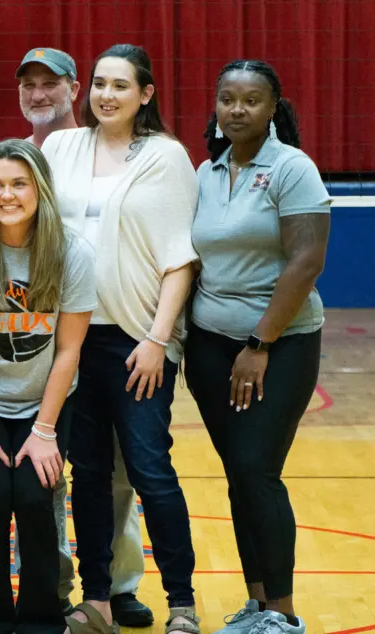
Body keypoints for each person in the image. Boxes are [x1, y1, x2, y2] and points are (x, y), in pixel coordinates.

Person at [40, 44, 201, 634]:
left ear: (145, 94)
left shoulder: (166, 156)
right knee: (88, 473)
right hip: (70, 340)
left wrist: (158, 340)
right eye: (100, 84)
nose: (106, 95)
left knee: (148, 470)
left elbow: (180, 258)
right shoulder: (60, 147)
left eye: (121, 85)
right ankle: (98, 601)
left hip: (136, 341)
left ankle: (182, 603)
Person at [185, 60, 330, 634]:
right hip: (209, 345)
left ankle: (283, 614)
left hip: (279, 344)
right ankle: (256, 603)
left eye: (251, 100)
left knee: (256, 469)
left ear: (273, 108)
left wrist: (259, 342)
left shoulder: (293, 168)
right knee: (239, 475)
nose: (237, 109)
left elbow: (307, 261)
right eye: (227, 98)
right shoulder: (206, 171)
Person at [16, 46, 153, 625]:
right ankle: (49, 582)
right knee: (39, 468)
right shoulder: (20, 156)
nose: (38, 94)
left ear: (76, 89)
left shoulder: (114, 151)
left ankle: (116, 582)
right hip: (38, 337)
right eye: (29, 85)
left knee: (115, 470)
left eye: (50, 83)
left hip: (111, 327)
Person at [0, 138, 95, 633]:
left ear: (40, 190)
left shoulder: (72, 252)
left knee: (33, 498)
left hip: (43, 402)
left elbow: (68, 351)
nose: (7, 195)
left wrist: (45, 430)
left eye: (19, 184)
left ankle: (40, 620)